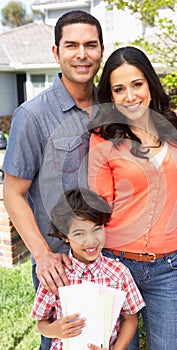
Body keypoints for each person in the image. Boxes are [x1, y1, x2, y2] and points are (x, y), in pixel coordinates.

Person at [87, 46, 177, 350]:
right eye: (119, 89)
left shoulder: (176, 128)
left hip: (166, 269)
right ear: (110, 96)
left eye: (137, 84)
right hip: (115, 263)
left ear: (150, 85)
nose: (129, 96)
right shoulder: (103, 137)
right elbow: (98, 208)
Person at [2, 10, 104, 349]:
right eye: (71, 45)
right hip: (61, 265)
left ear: (101, 50)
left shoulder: (115, 105)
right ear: (55, 52)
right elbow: (14, 193)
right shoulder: (31, 116)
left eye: (90, 45)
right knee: (67, 342)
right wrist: (43, 255)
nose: (81, 54)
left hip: (113, 259)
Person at [31, 187, 145, 350]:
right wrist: (53, 330)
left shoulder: (119, 273)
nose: (91, 240)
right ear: (64, 236)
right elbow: (41, 322)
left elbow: (130, 319)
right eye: (79, 234)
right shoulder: (56, 275)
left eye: (97, 229)